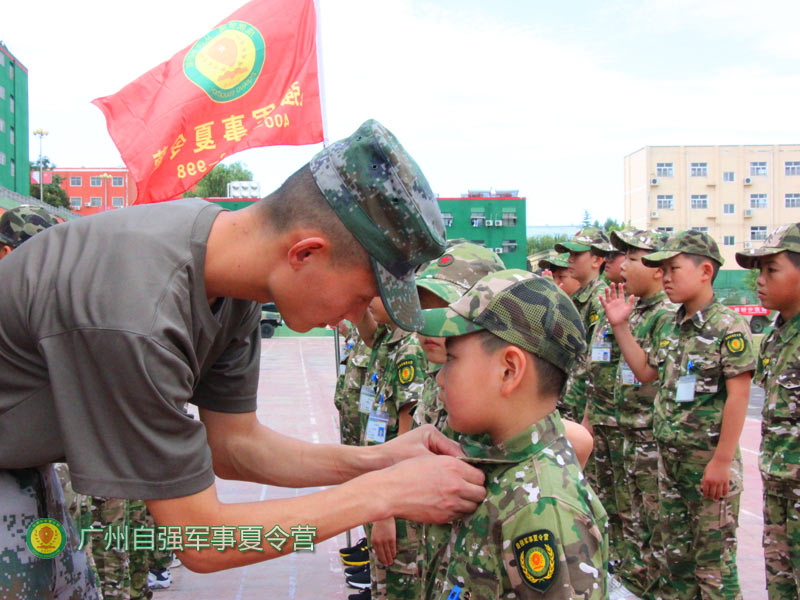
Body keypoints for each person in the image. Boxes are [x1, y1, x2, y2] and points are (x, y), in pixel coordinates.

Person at [0, 119, 487, 597]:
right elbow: (198, 542)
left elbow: (234, 448)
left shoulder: (229, 276)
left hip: (28, 470)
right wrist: (383, 494)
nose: (359, 313)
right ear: (305, 254)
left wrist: (379, 461)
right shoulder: (133, 310)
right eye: (362, 295)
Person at [419, 269, 608, 599]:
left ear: (508, 371)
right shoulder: (492, 464)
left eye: (452, 359)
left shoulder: (544, 509)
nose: (440, 378)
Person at [602, 230, 756, 600]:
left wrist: (721, 461)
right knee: (674, 565)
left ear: (705, 271)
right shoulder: (672, 325)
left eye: (673, 269)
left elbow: (739, 396)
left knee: (713, 568)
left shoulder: (727, 327)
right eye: (663, 270)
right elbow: (645, 371)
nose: (666, 277)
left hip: (707, 470)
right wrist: (620, 325)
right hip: (669, 466)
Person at [606, 228, 676, 597]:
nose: (623, 266)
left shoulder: (665, 315)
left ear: (656, 269)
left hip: (652, 437)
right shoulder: (635, 309)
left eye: (634, 258)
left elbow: (647, 374)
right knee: (634, 527)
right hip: (629, 433)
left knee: (654, 529)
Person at [735, 223, 800, 600]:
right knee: (780, 582)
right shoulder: (777, 334)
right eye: (758, 271)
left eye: (771, 270)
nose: (760, 280)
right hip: (779, 484)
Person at [554, 227, 613, 422]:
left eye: (577, 254)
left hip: (583, 405)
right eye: (570, 254)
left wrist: (589, 415)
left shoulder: (599, 300)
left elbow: (598, 361)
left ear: (597, 260)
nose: (570, 259)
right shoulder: (579, 298)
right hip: (569, 400)